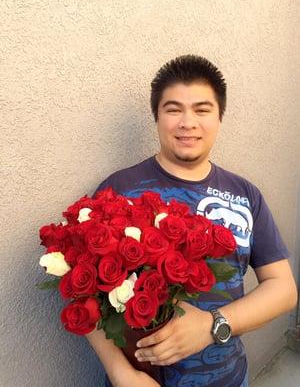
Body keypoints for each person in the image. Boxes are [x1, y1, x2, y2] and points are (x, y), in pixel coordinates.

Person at [85, 55, 298, 387]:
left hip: (229, 378)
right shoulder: (119, 189)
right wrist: (119, 371)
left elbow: (283, 289)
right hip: (144, 380)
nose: (188, 122)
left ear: (219, 118)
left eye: (202, 110)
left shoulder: (245, 195)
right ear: (156, 116)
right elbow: (82, 292)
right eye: (173, 109)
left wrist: (211, 325)